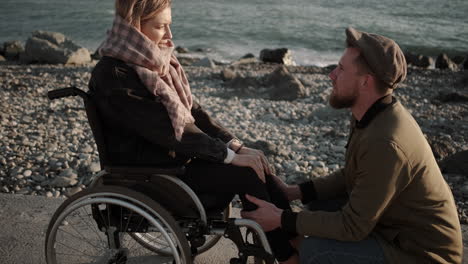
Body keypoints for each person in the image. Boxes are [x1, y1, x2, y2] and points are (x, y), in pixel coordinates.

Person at [88, 0, 299, 263]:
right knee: (245, 173)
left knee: (258, 163)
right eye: (161, 26)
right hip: (151, 174)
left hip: (172, 161)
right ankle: (289, 255)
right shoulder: (115, 74)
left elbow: (194, 113)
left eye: (169, 25)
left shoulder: (153, 61)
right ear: (133, 26)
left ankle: (293, 238)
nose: (170, 35)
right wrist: (230, 158)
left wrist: (237, 146)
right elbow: (170, 132)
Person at [242, 27, 463, 264]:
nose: (332, 75)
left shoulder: (386, 141)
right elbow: (353, 175)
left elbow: (352, 226)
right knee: (319, 204)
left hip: (422, 254)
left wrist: (281, 219)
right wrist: (295, 192)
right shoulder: (370, 114)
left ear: (365, 82)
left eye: (341, 69)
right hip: (391, 228)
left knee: (318, 251)